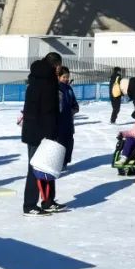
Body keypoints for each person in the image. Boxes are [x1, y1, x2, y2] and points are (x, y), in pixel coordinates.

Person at [21, 59, 62, 215]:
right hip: (42, 133)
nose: (59, 69)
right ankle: (30, 204)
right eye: (58, 66)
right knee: (37, 169)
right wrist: (51, 134)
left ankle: (47, 200)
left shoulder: (33, 83)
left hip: (32, 132)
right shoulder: (48, 85)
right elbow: (48, 113)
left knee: (46, 167)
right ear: (54, 66)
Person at [56, 66, 80, 167]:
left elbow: (75, 105)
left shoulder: (69, 89)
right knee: (59, 144)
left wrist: (72, 111)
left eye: (67, 77)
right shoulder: (55, 88)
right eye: (64, 77)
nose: (66, 79)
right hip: (59, 123)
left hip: (69, 122)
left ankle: (65, 161)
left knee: (69, 143)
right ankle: (58, 163)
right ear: (58, 77)